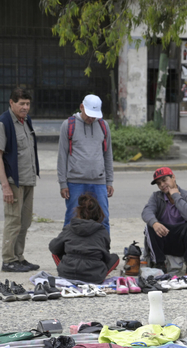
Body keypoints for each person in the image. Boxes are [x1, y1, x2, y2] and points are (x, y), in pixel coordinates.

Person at [0, 87, 40, 273]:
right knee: (13, 220)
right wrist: (5, 186)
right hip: (13, 181)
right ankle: (8, 259)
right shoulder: (3, 124)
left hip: (28, 180)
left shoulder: (26, 121)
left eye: (28, 104)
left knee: (25, 221)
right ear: (11, 103)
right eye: (21, 104)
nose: (25, 107)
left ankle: (19, 257)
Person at [57, 94, 114, 233]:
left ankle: (103, 251)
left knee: (103, 219)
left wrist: (109, 181)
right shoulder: (68, 125)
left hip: (99, 182)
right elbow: (62, 156)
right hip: (75, 182)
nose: (91, 118)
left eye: (94, 115)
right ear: (81, 107)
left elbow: (108, 155)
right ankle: (66, 252)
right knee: (72, 219)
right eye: (89, 114)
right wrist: (63, 183)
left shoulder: (103, 126)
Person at [142, 167, 187, 275]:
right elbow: (146, 212)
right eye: (159, 183)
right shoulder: (156, 196)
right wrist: (155, 223)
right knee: (150, 226)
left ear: (173, 177)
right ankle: (159, 263)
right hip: (164, 238)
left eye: (164, 180)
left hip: (182, 242)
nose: (162, 185)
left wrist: (175, 196)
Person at [49, 193, 119, 284]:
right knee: (115, 258)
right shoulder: (102, 231)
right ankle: (95, 274)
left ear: (79, 212)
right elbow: (105, 256)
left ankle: (67, 271)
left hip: (67, 273)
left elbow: (53, 247)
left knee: (56, 250)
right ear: (98, 214)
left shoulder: (69, 227)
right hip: (94, 276)